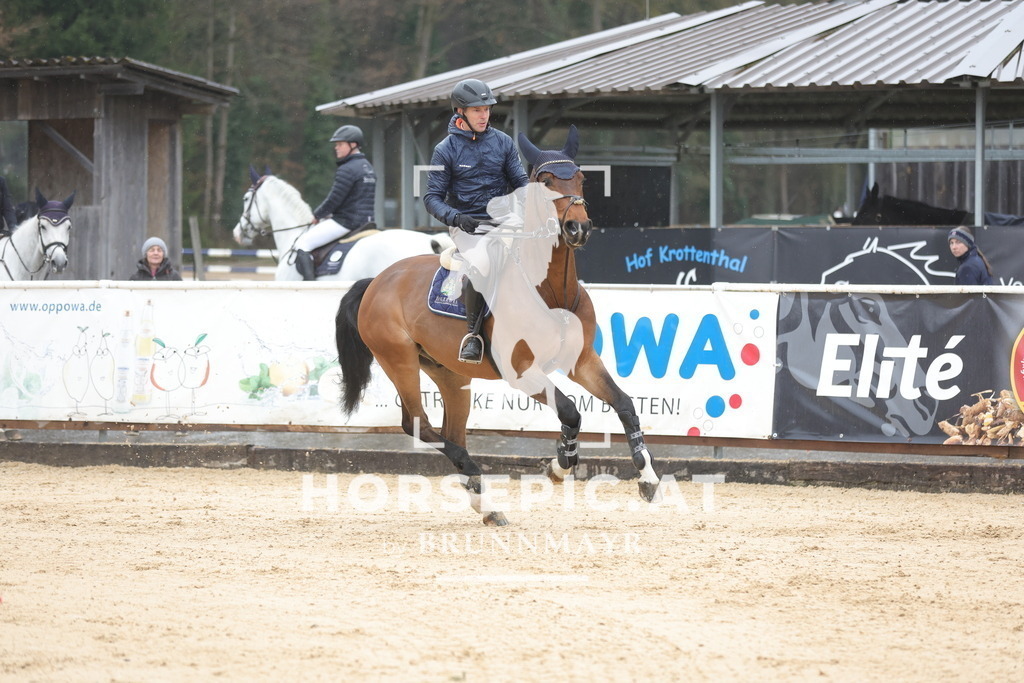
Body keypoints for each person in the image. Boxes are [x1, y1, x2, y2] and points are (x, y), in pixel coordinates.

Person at [423, 78, 529, 363]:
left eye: (486, 109)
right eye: (477, 110)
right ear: (460, 112)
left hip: (504, 222)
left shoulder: (504, 142)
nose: (484, 116)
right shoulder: (444, 149)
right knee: (482, 263)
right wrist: (456, 217)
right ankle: (473, 336)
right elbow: (431, 198)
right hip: (467, 225)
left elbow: (521, 183)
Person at [294, 125, 376, 281]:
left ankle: (310, 287)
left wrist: (317, 215)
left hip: (346, 222)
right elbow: (353, 198)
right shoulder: (368, 167)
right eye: (336, 145)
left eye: (340, 144)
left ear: (353, 144)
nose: (336, 148)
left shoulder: (347, 169)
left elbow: (334, 199)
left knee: (302, 244)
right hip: (366, 221)